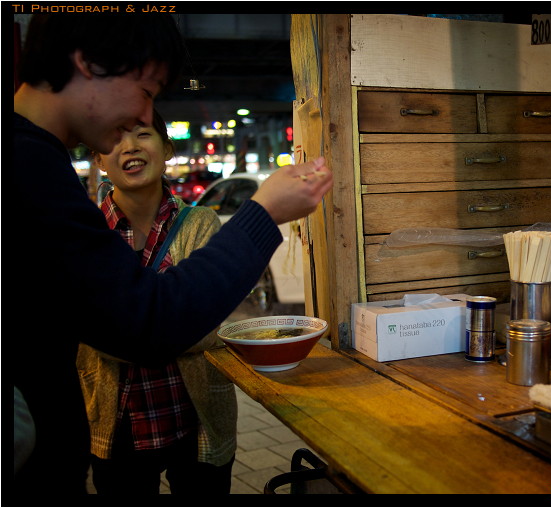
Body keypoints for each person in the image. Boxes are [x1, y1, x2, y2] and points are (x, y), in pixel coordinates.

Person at [12, 13, 332, 499]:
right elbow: (147, 322)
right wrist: (264, 213)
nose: (143, 118)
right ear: (90, 63)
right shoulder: (27, 168)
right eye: (147, 90)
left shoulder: (35, 160)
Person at [76, 109, 237, 495]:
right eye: (114, 138)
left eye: (143, 134)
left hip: (197, 421)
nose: (129, 146)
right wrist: (172, 322)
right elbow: (86, 324)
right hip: (115, 426)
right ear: (98, 157)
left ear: (166, 150)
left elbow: (214, 324)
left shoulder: (201, 225)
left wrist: (132, 331)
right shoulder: (84, 233)